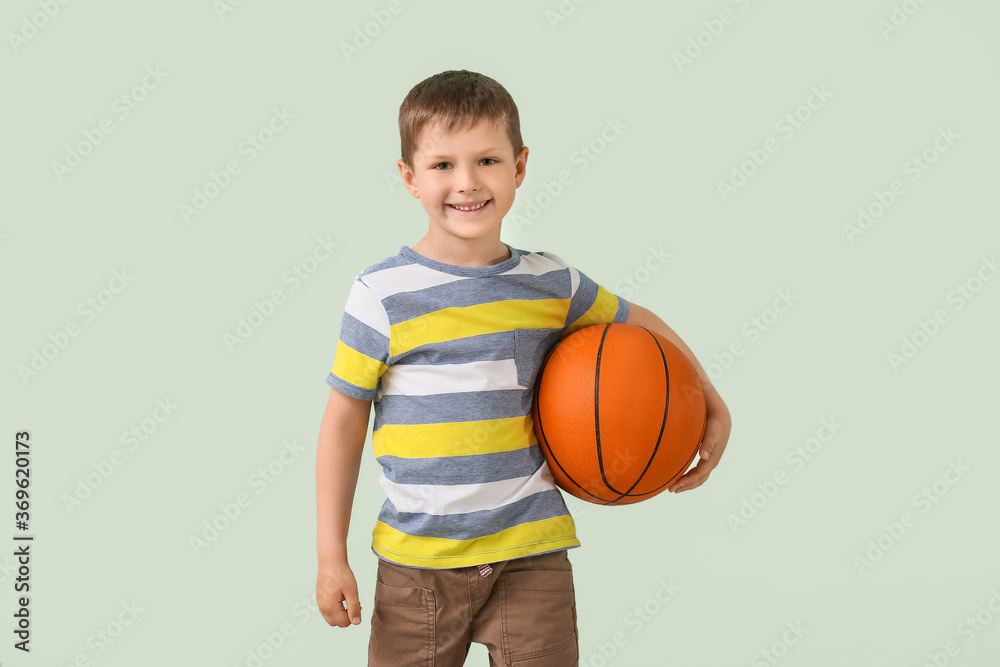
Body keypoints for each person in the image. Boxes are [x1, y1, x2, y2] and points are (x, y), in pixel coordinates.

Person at [315, 69, 733, 666]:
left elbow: (641, 322)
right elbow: (343, 425)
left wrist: (711, 399)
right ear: (408, 177)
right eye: (442, 166)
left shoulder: (550, 283)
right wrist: (332, 555)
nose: (466, 183)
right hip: (418, 565)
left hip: (530, 553)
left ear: (520, 166)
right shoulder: (382, 294)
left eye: (487, 160)